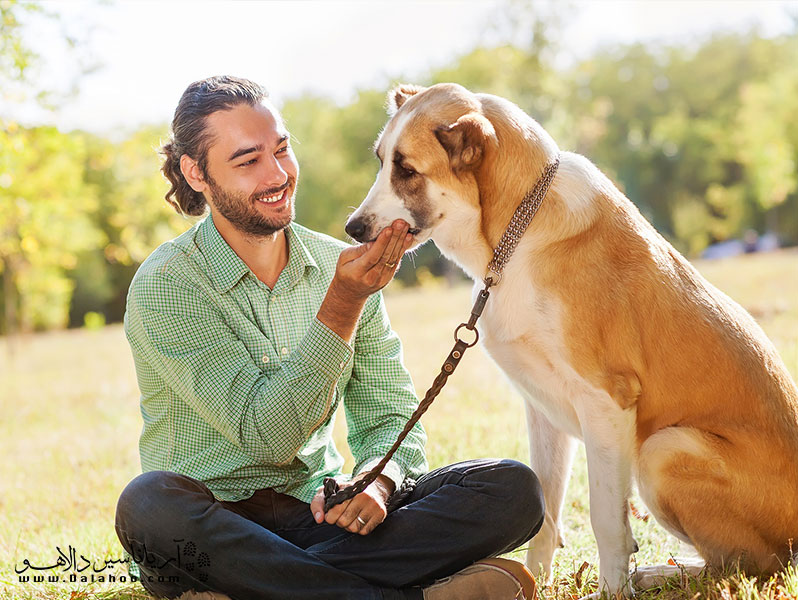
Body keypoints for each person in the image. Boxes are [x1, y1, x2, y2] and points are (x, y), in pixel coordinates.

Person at [114, 75, 545, 600]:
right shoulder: (168, 285)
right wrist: (341, 305)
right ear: (195, 173)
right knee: (148, 505)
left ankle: (269, 589)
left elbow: (389, 415)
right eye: (247, 161)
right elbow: (265, 436)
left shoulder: (335, 264)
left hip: (321, 519)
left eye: (282, 149)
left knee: (511, 490)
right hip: (214, 526)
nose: (277, 175)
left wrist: (376, 482)